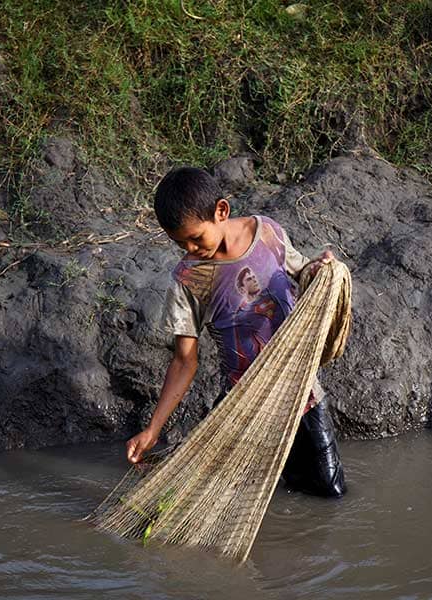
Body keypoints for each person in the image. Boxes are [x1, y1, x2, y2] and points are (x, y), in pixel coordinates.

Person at [125, 166, 346, 498]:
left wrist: (320, 267)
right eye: (179, 243)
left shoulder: (267, 232)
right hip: (244, 400)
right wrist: (153, 430)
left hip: (301, 392)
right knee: (227, 494)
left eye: (196, 238)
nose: (191, 248)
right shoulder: (188, 279)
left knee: (329, 489)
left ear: (221, 211)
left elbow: (302, 272)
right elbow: (185, 361)